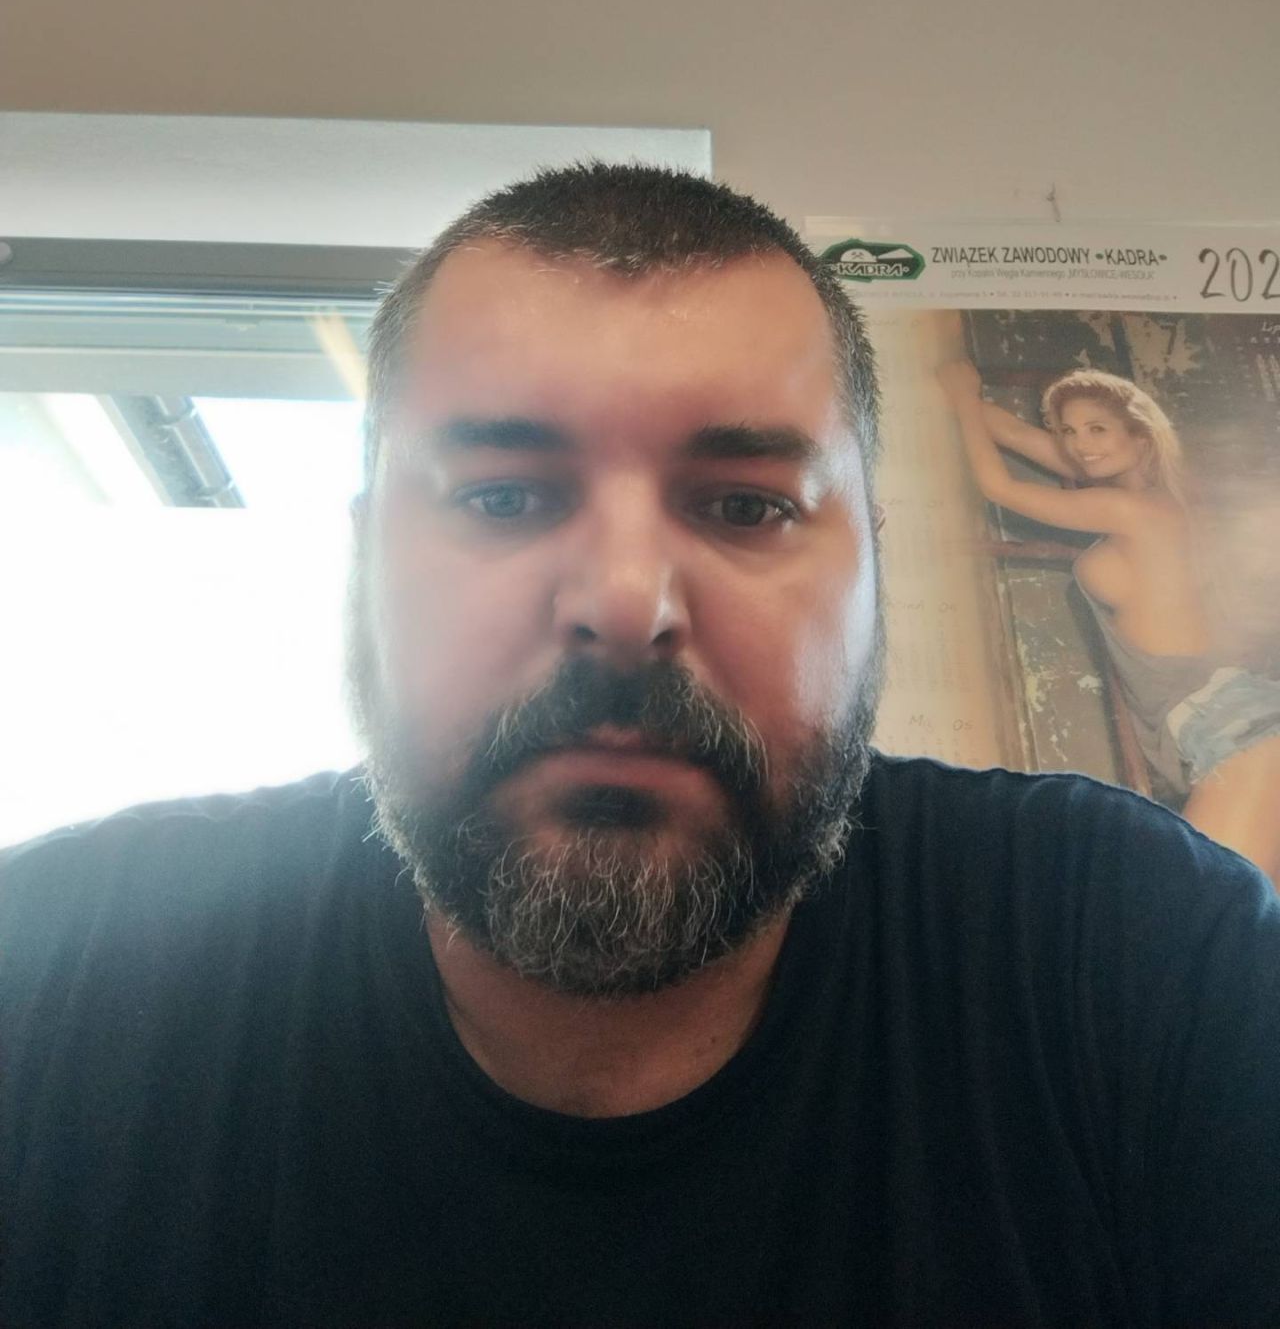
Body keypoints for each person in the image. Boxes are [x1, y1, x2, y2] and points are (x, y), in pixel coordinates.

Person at [2, 164, 1278, 1329]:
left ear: (872, 574)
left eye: (745, 506)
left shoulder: (1142, 961)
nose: (624, 603)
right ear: (362, 560)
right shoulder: (54, 976)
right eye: (503, 496)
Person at [938, 358, 1280, 882]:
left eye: (1097, 429)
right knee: (1242, 918)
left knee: (1199, 914)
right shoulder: (1161, 497)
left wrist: (962, 397)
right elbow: (1017, 435)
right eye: (1068, 431)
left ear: (1141, 437)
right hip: (1230, 719)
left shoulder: (1128, 510)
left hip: (1232, 726)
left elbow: (1000, 488)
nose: (1079, 443)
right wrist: (957, 392)